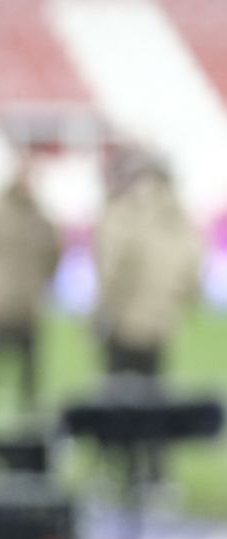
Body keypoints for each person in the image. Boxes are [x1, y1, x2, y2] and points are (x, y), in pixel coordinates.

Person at [94, 149, 202, 381]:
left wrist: (102, 312)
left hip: (125, 325)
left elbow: (117, 270)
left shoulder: (129, 212)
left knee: (118, 401)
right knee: (152, 401)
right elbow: (192, 278)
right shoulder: (179, 218)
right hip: (162, 326)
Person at [0, 165, 61, 420]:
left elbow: (54, 255)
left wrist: (38, 284)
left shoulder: (41, 217)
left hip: (28, 306)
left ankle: (28, 418)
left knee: (29, 374)